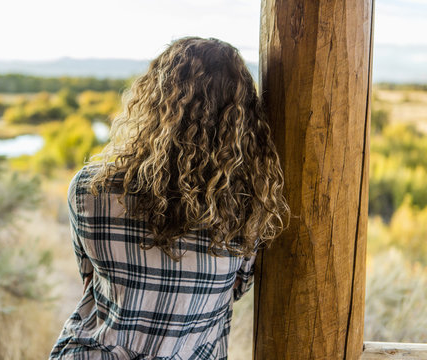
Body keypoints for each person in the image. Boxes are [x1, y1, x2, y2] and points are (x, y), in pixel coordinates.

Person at [49, 36, 289, 360]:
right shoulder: (248, 207)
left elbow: (89, 278)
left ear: (153, 102)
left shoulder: (89, 188)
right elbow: (236, 289)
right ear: (244, 120)